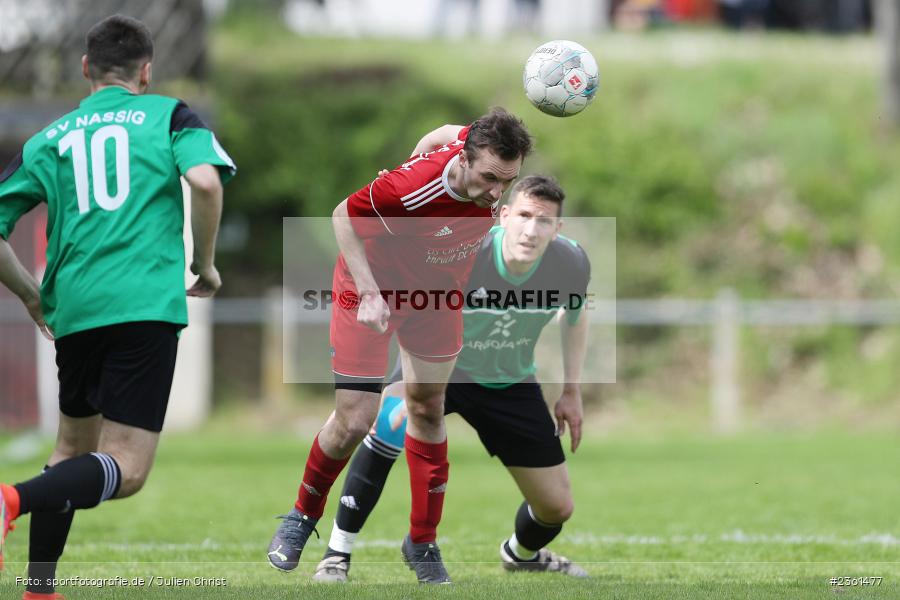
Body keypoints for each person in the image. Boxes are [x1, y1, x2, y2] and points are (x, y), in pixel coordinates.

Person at [0, 15, 235, 600]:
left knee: (71, 450)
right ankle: (9, 499)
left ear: (86, 68)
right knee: (125, 469)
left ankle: (39, 590)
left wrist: (32, 295)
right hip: (143, 306)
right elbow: (206, 183)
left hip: (73, 309)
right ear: (146, 72)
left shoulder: (47, 138)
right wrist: (204, 264)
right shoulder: (170, 115)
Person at [266, 108, 532, 584]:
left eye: (507, 182)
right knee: (355, 420)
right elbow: (343, 214)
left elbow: (450, 130)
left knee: (427, 408)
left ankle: (423, 541)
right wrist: (368, 291)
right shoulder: (412, 187)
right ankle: (301, 517)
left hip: (437, 297)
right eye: (490, 178)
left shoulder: (473, 150)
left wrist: (423, 143)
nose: (496, 193)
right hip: (371, 290)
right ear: (466, 160)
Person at [310, 175, 591, 583]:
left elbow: (576, 320)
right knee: (389, 422)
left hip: (509, 383)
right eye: (525, 216)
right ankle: (337, 554)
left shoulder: (571, 263)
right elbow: (416, 309)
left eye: (544, 221)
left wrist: (571, 391)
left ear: (558, 229)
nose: (532, 230)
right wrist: (408, 379)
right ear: (504, 216)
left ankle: (522, 554)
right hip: (443, 367)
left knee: (556, 508)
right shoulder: (469, 253)